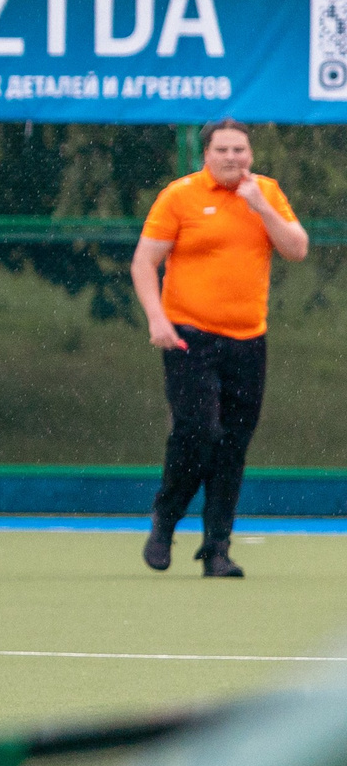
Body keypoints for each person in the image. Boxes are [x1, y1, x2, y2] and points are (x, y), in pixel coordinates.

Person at [131, 121, 308, 579]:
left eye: (240, 150)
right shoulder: (180, 195)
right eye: (223, 149)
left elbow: (297, 248)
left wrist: (261, 208)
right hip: (189, 336)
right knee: (198, 432)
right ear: (206, 153)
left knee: (232, 445)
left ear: (250, 153)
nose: (233, 157)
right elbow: (145, 261)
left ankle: (217, 549)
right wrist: (156, 318)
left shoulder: (266, 192)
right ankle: (165, 522)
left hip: (248, 339)